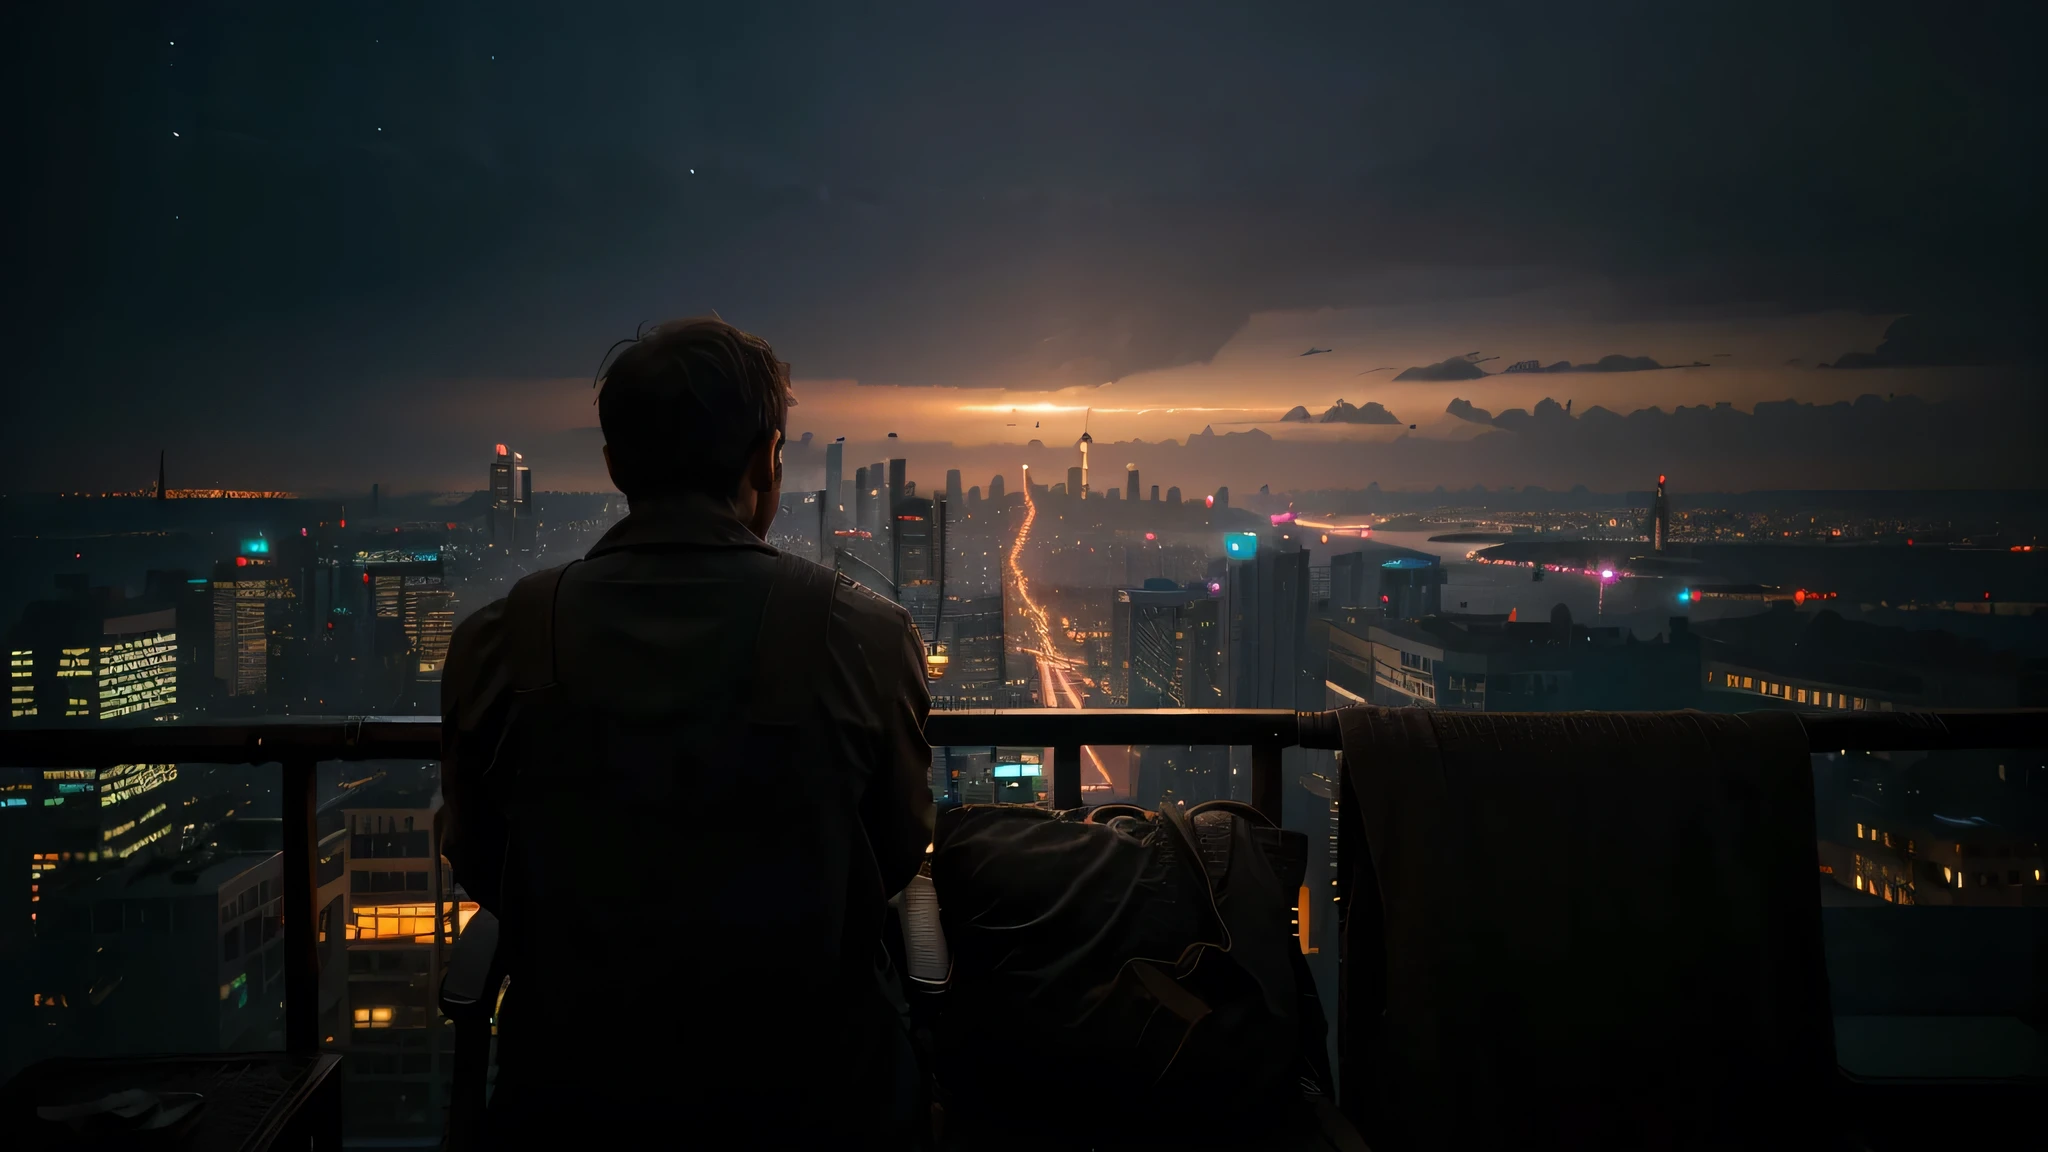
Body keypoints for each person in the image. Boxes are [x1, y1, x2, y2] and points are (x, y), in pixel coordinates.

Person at [439, 317, 936, 1145]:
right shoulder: (867, 637)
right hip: (817, 1097)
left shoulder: (504, 639)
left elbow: (481, 857)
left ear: (614, 466)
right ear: (767, 458)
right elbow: (896, 847)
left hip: (570, 1099)